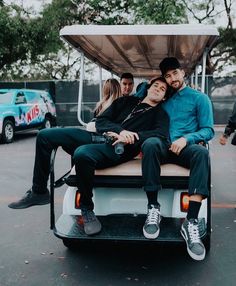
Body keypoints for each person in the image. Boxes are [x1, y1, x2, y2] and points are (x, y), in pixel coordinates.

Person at [8, 77, 171, 236]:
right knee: (44, 135)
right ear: (148, 88)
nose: (158, 89)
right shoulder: (125, 101)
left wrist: (133, 136)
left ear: (164, 97)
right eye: (156, 85)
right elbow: (101, 120)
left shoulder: (161, 114)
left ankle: (86, 208)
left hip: (117, 150)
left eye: (162, 89)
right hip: (97, 137)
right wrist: (120, 131)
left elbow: (160, 134)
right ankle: (39, 192)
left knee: (82, 154)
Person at [138, 57, 214, 261]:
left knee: (202, 153)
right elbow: (141, 96)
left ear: (183, 73)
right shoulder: (164, 98)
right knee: (151, 143)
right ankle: (153, 208)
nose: (172, 79)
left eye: (175, 73)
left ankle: (191, 222)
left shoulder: (200, 98)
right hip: (163, 146)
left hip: (185, 148)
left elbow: (208, 130)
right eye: (168, 76)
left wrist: (187, 138)